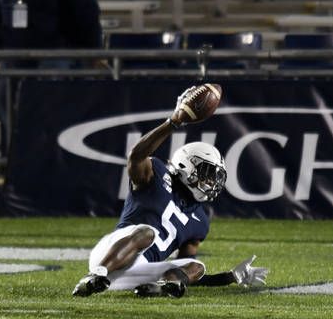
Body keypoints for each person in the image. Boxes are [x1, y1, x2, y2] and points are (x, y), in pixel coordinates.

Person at [72, 86, 268, 298]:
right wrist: (173, 122)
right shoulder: (156, 174)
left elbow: (190, 273)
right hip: (109, 256)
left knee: (197, 265)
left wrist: (230, 277)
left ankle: (162, 287)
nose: (211, 182)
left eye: (214, 177)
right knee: (148, 232)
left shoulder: (200, 220)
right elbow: (136, 157)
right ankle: (93, 276)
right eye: (206, 173)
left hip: (136, 274)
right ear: (187, 165)